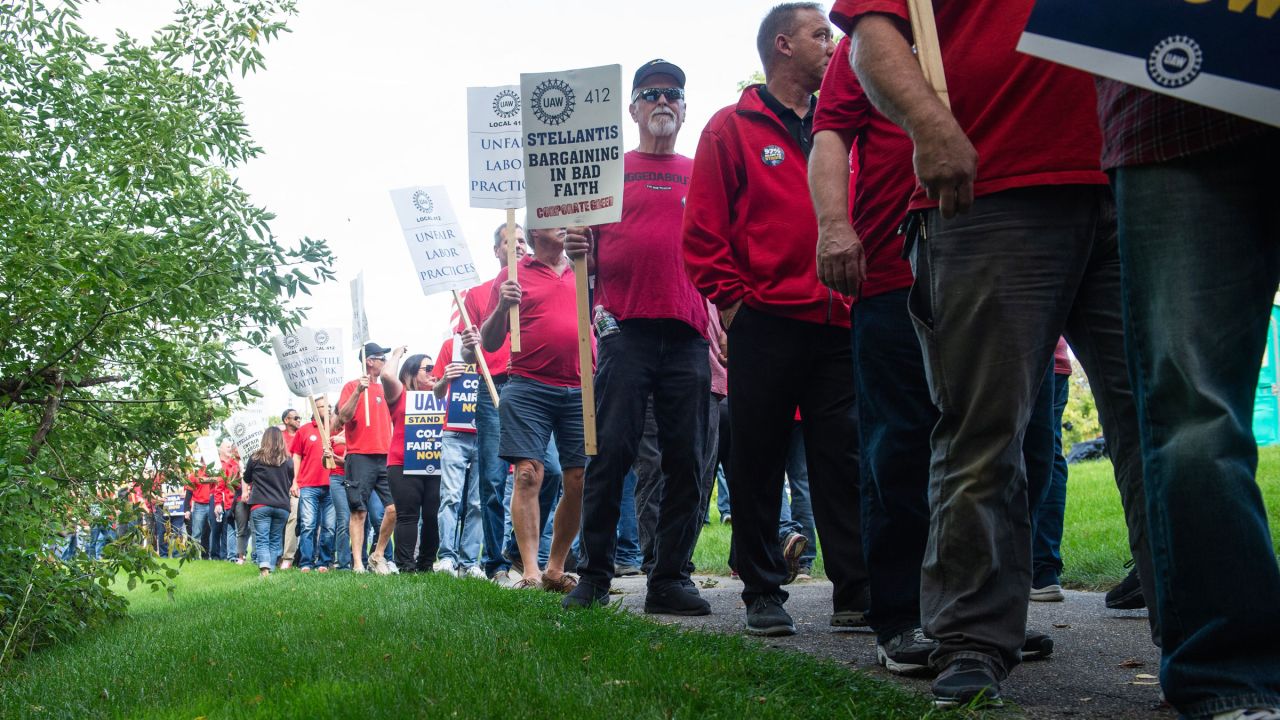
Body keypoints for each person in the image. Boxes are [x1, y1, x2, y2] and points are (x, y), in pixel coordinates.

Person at [833, 0, 1156, 704]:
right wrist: (930, 123)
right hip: (991, 187)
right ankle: (973, 640)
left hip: (1140, 172)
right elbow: (869, 33)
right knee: (982, 428)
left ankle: (1208, 643)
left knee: (1165, 425)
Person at [682, 2, 868, 638]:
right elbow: (703, 230)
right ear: (783, 46)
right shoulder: (729, 127)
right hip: (765, 320)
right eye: (822, 34)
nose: (833, 44)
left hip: (837, 319)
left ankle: (856, 590)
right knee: (757, 456)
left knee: (840, 458)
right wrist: (734, 302)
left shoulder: (837, 127)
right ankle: (763, 588)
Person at [1098, 82, 1280, 720]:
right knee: (1192, 416)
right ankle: (1232, 673)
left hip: (1168, 118)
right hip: (1172, 111)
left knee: (1191, 412)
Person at [564, 59, 713, 615]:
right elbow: (583, 260)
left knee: (686, 459)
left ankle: (669, 578)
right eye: (651, 94)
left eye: (673, 93)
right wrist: (579, 247)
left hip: (687, 332)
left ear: (682, 106)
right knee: (610, 454)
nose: (663, 102)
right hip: (623, 331)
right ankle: (595, 576)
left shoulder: (701, 171)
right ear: (631, 108)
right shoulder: (604, 175)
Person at [480, 226, 592, 593]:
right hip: (528, 384)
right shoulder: (512, 275)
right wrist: (502, 306)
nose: (563, 224)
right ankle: (529, 570)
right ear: (535, 230)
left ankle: (555, 569)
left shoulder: (582, 267)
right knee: (528, 474)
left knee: (578, 479)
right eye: (552, 218)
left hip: (580, 387)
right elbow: (491, 340)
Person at [333, 342, 400, 574]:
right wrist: (358, 392)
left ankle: (378, 554)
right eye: (382, 358)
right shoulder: (352, 386)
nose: (384, 363)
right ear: (369, 361)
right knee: (358, 512)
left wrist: (398, 354)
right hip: (360, 456)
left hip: (385, 456)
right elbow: (343, 416)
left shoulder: (385, 388)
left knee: (393, 509)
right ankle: (358, 564)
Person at [432, 332, 485, 578]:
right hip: (454, 432)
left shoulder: (498, 340)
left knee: (477, 502)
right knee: (450, 497)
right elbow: (437, 391)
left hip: (486, 431)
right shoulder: (450, 345)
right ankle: (446, 558)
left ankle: (469, 561)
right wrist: (444, 379)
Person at [386, 350, 441, 574]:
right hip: (402, 463)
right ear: (410, 372)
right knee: (408, 515)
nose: (433, 372)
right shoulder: (400, 394)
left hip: (435, 464)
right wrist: (397, 353)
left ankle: (426, 564)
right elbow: (387, 376)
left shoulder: (441, 394)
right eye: (427, 368)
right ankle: (406, 565)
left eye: (434, 368)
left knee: (432, 514)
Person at [289, 396, 337, 572]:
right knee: (308, 525)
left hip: (332, 485)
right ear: (315, 410)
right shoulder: (304, 430)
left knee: (329, 527)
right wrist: (294, 481)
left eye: (330, 406)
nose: (329, 409)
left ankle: (323, 562)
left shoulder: (335, 429)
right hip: (309, 485)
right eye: (323, 406)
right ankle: (306, 562)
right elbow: (296, 457)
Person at [244, 426, 295, 577]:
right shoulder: (288, 461)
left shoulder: (255, 458)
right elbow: (290, 481)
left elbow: (247, 479)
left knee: (262, 538)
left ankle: (265, 570)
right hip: (282, 506)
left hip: (260, 504)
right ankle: (270, 569)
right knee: (275, 539)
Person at [278, 408, 302, 569]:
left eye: (300, 417)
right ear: (286, 420)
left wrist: (296, 482)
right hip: (279, 485)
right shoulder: (279, 438)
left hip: (297, 484)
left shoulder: (302, 435)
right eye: (295, 417)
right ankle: (278, 554)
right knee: (281, 520)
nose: (299, 420)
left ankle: (289, 557)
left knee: (295, 519)